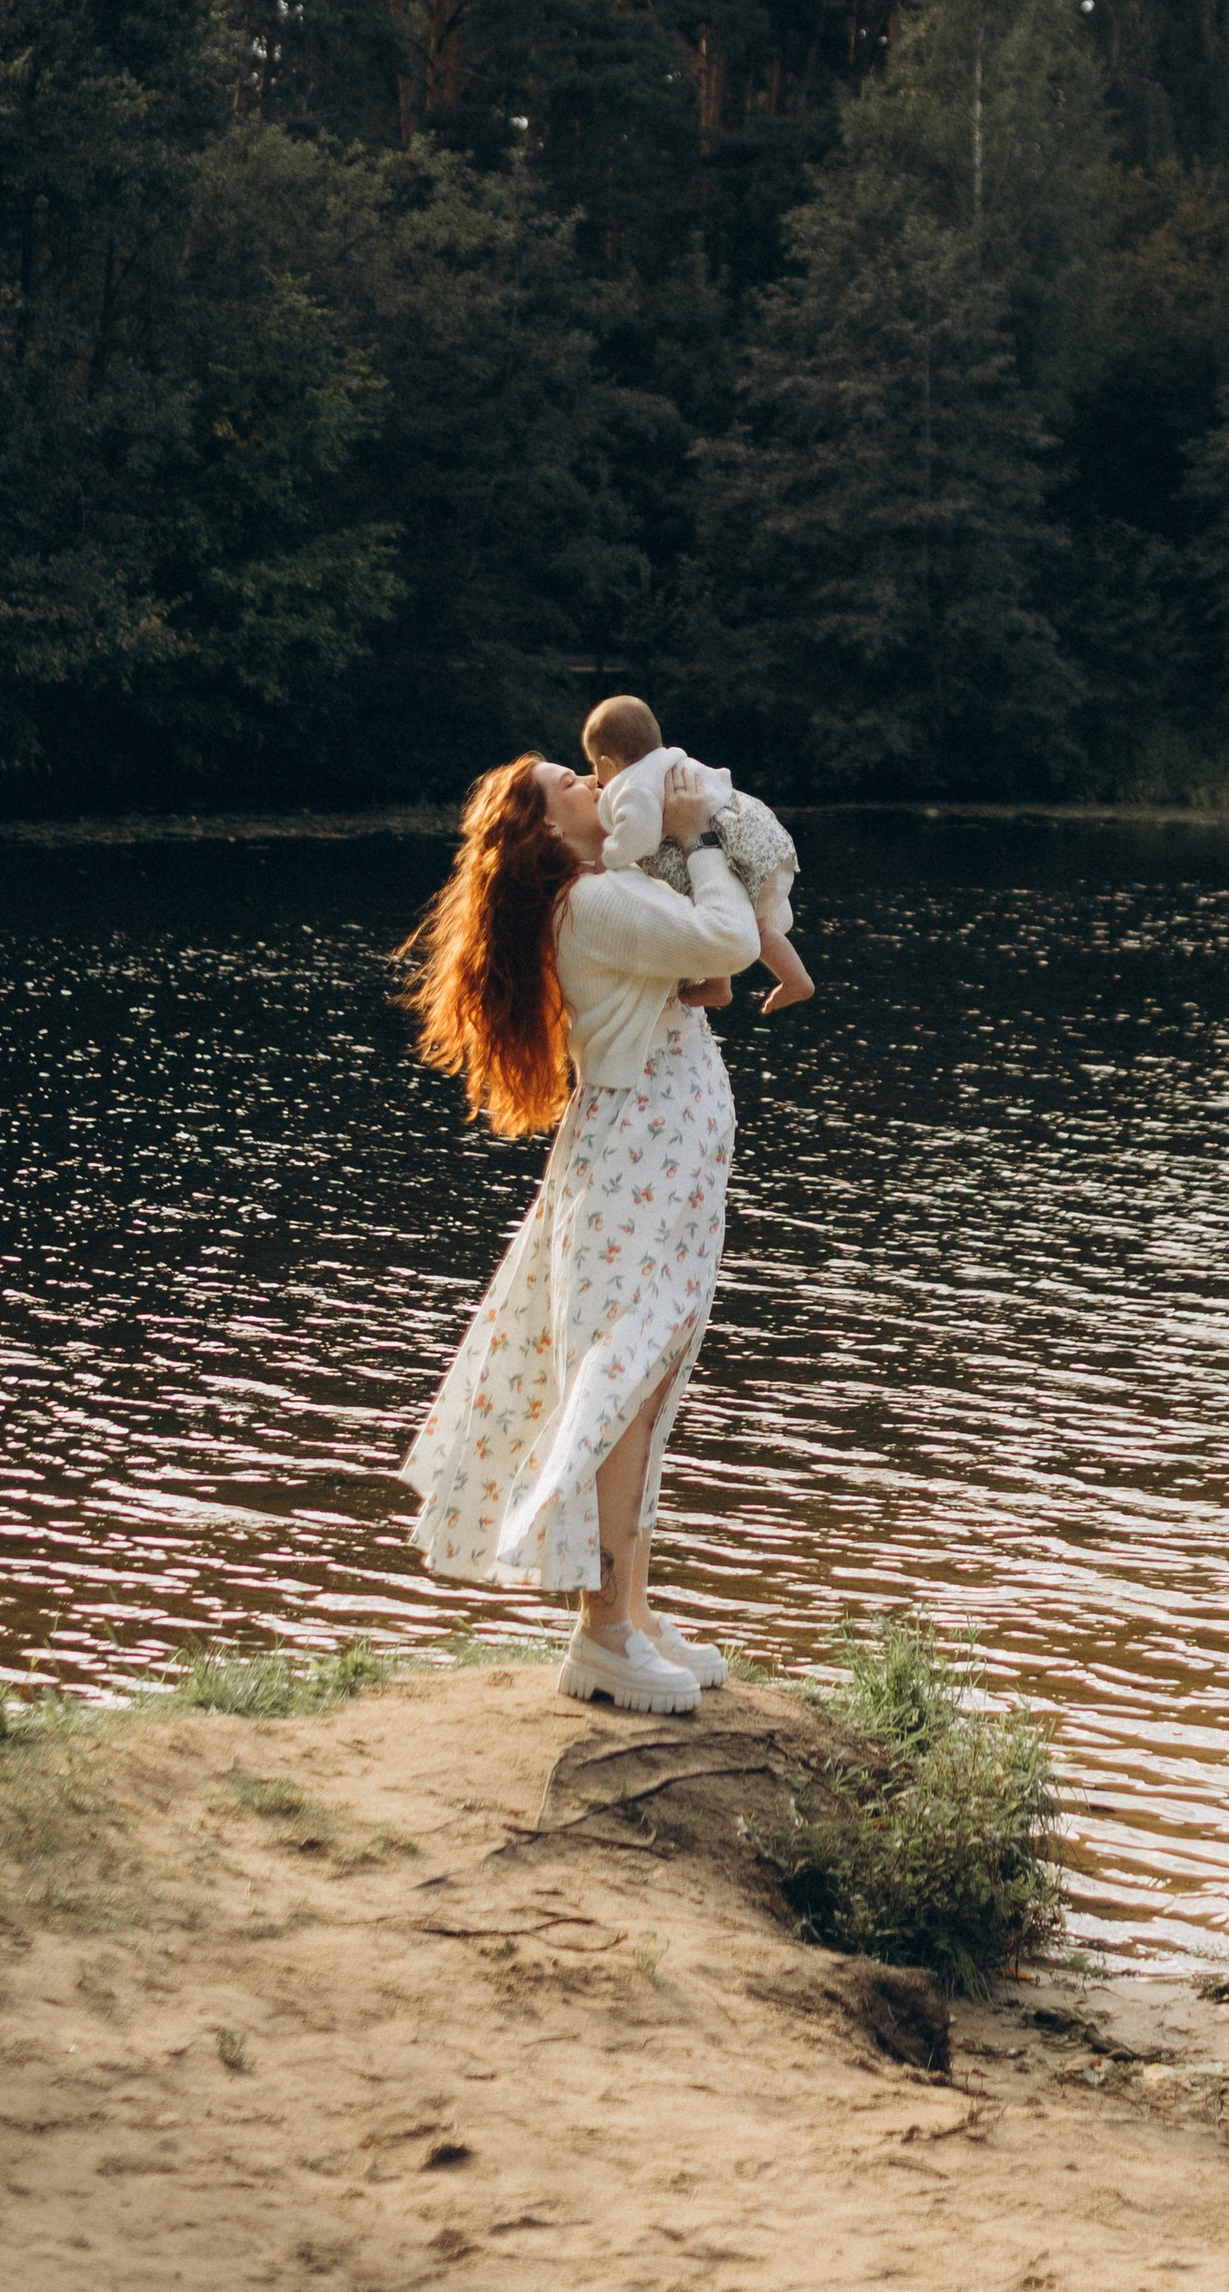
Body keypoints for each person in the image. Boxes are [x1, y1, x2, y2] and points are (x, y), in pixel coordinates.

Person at [394, 749, 758, 1715]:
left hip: (653, 1169)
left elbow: (691, 970)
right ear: (548, 831)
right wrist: (700, 839)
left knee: (644, 1384)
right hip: (639, 1167)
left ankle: (626, 1613)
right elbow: (728, 942)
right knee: (622, 1386)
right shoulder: (592, 903)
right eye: (573, 784)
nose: (599, 785)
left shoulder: (603, 893)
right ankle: (603, 1633)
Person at [581, 690, 814, 1012]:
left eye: (594, 765)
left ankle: (792, 981)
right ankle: (720, 985)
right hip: (768, 847)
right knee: (721, 908)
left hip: (749, 857)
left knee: (749, 928)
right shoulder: (674, 762)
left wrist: (606, 860)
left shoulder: (634, 786)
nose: (595, 776)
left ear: (608, 762)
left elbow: (640, 837)